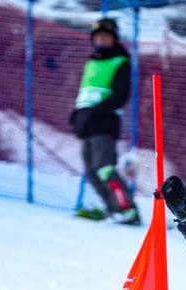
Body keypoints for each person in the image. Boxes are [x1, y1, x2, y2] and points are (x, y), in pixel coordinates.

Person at [69, 18, 140, 226]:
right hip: (87, 123)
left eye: (106, 37)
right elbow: (86, 92)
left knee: (104, 168)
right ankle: (112, 209)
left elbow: (120, 95)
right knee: (92, 173)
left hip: (104, 122)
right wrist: (78, 114)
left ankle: (127, 209)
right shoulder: (91, 62)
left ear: (114, 39)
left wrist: (94, 112)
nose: (101, 40)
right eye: (98, 37)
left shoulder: (120, 62)